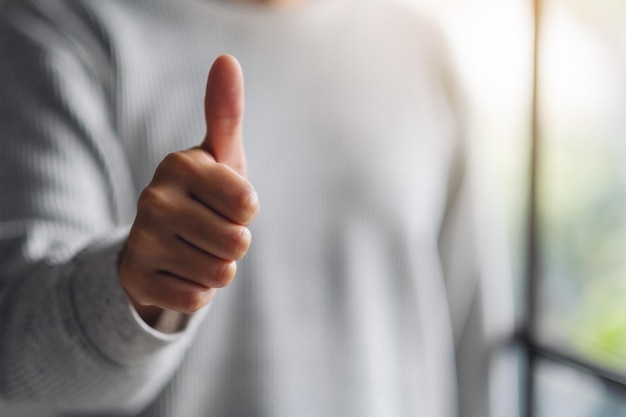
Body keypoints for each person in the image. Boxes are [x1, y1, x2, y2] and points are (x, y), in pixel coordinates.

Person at [0, 0, 510, 416]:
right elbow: (21, 353)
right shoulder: (56, 25)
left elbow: (473, 329)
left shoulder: (419, 47)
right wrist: (137, 292)